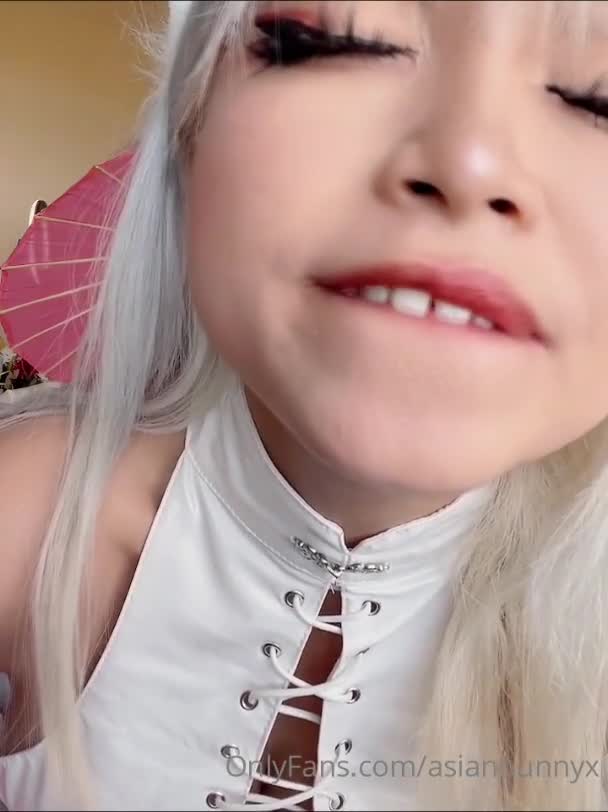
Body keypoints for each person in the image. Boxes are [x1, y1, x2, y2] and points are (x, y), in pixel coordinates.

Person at [1, 0, 607, 809]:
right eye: (334, 41)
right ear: (190, 126)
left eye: (598, 97)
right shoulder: (30, 516)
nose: (470, 162)